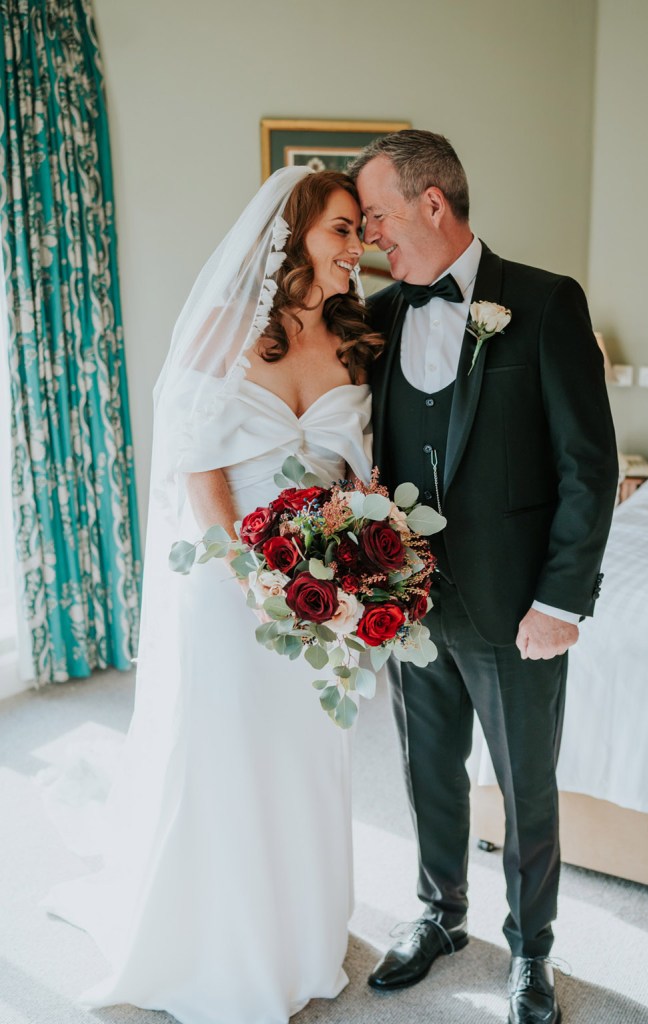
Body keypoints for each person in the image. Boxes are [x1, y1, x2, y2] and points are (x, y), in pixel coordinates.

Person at [43, 167, 382, 1024]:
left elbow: (358, 471)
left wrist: (362, 552)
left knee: (305, 754)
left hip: (320, 585)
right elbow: (196, 463)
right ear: (297, 231)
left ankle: (297, 931)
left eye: (359, 232)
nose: (357, 248)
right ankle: (215, 940)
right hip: (230, 578)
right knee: (226, 746)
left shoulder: (352, 341)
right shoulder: (227, 330)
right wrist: (249, 569)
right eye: (342, 229)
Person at [350, 130, 618, 1024]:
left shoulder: (543, 303)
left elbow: (588, 463)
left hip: (515, 608)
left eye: (379, 214)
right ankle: (438, 915)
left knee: (523, 784)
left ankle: (531, 950)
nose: (371, 235)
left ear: (433, 203)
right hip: (409, 602)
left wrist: (560, 601)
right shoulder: (378, 317)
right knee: (426, 768)